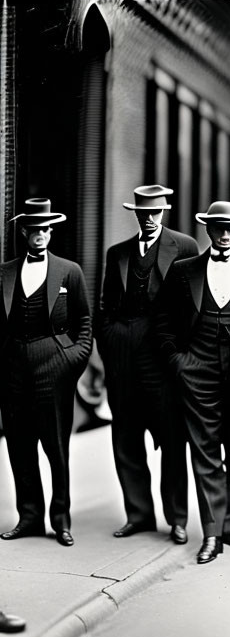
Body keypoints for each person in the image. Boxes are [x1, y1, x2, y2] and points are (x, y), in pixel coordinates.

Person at [155, 201, 230, 564]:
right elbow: (163, 323)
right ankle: (213, 532)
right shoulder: (183, 271)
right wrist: (179, 361)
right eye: (218, 228)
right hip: (197, 366)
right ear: (207, 230)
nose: (225, 235)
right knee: (205, 450)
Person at [96, 184, 198, 545]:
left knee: (172, 442)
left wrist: (180, 357)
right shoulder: (117, 253)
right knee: (126, 439)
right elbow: (105, 306)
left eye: (156, 213)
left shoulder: (184, 247)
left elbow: (192, 307)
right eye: (144, 213)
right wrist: (110, 343)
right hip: (123, 361)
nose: (150, 219)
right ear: (136, 214)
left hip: (163, 364)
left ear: (164, 212)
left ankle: (177, 518)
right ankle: (138, 515)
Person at [0, 198, 92, 547]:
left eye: (45, 229)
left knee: (56, 446)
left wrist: (71, 360)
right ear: (24, 232)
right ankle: (29, 517)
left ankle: (61, 520)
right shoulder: (5, 272)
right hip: (13, 367)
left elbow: (84, 323)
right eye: (34, 229)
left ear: (52, 232)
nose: (40, 235)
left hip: (53, 364)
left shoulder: (69, 271)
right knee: (19, 445)